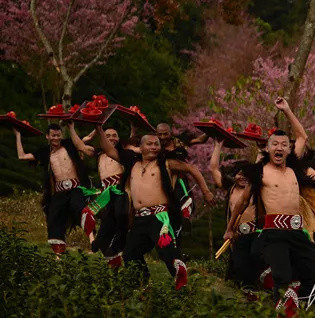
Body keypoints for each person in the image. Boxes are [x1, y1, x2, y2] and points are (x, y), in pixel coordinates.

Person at [224, 97, 315, 318]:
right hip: (274, 234)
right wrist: (230, 227)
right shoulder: (260, 172)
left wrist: (287, 110)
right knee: (281, 277)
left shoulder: (294, 169)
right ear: (267, 148)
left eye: (284, 145)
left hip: (297, 232)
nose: (280, 148)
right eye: (275, 144)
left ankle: (293, 302)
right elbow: (243, 202)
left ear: (289, 149)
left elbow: (303, 136)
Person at [95, 124, 214, 289]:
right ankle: (143, 285)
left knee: (166, 252)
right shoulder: (132, 162)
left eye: (156, 144)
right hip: (140, 220)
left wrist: (206, 192)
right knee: (130, 254)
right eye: (149, 144)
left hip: (159, 218)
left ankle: (183, 283)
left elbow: (191, 169)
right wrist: (99, 128)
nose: (153, 147)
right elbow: (109, 150)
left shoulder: (165, 162)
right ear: (141, 147)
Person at [13, 124, 92, 255]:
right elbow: (22, 156)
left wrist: (94, 126)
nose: (56, 138)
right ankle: (58, 253)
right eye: (53, 135)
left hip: (75, 188)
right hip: (59, 191)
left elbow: (85, 139)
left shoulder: (69, 144)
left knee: (80, 208)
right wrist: (18, 135)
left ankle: (92, 240)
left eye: (58, 135)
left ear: (61, 135)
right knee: (53, 217)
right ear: (47, 136)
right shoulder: (44, 152)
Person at [209, 140, 269, 298]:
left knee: (257, 259)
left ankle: (260, 289)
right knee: (240, 265)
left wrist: (262, 149)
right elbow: (214, 169)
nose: (242, 177)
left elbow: (259, 166)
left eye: (245, 174)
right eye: (239, 174)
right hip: (238, 236)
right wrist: (217, 145)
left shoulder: (256, 188)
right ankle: (248, 290)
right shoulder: (230, 189)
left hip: (257, 232)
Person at [67, 121, 130, 267]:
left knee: (119, 227)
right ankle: (112, 260)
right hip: (104, 196)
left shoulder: (123, 153)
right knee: (100, 237)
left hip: (121, 194)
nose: (112, 138)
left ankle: (121, 247)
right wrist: (71, 127)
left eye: (115, 136)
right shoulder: (98, 153)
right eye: (108, 136)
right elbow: (80, 146)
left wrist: (133, 128)